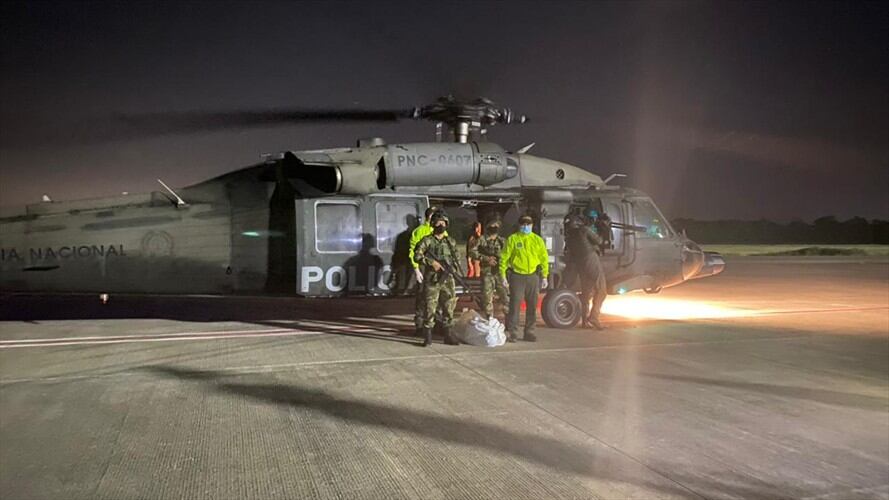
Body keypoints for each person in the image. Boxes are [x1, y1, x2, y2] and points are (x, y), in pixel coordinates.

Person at [499, 214, 549, 342]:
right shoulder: (513, 239)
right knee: (515, 305)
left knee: (532, 305)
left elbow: (544, 258)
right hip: (517, 276)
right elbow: (504, 258)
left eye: (528, 224)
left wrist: (545, 276)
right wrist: (502, 275)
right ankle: (513, 332)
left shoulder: (537, 240)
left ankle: (529, 332)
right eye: (523, 224)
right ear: (519, 225)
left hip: (533, 276)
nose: (526, 226)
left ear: (532, 225)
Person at [413, 211, 460, 347]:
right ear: (433, 224)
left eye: (443, 223)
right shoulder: (427, 240)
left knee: (449, 306)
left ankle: (448, 335)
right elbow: (417, 255)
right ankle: (428, 336)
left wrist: (451, 269)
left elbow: (456, 258)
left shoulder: (450, 241)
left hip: (447, 279)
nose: (441, 225)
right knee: (430, 307)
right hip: (433, 279)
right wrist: (431, 262)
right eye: (438, 223)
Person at [565, 212, 608, 330]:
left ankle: (584, 321)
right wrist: (604, 228)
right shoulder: (584, 230)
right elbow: (599, 241)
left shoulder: (569, 236)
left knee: (586, 292)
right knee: (601, 290)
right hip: (591, 259)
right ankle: (594, 317)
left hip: (580, 264)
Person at [409, 206, 441, 330]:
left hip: (437, 268)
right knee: (422, 296)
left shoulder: (441, 231)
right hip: (423, 266)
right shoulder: (420, 231)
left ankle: (437, 323)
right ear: (429, 217)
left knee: (438, 296)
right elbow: (412, 251)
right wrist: (416, 269)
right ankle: (420, 324)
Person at [472, 216, 510, 321]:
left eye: (496, 225)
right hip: (487, 273)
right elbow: (472, 252)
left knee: (505, 297)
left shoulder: (502, 241)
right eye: (492, 225)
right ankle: (489, 320)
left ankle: (509, 321)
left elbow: (509, 254)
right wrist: (486, 259)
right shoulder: (482, 240)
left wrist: (502, 262)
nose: (494, 227)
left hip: (500, 272)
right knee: (487, 298)